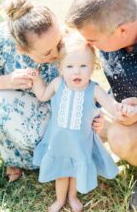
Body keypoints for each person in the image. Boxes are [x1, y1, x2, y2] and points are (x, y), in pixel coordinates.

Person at [0, 0, 103, 182]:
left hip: (60, 112)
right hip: (19, 110)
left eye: (58, 42)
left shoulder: (68, 40)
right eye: (48, 52)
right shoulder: (1, 41)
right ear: (22, 50)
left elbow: (87, 83)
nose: (58, 52)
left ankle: (56, 158)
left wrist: (94, 114)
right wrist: (9, 80)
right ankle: (14, 160)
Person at [30, 31, 128, 212]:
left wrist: (122, 109)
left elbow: (111, 106)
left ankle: (72, 196)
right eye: (70, 66)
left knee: (75, 171)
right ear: (60, 68)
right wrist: (36, 80)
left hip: (80, 143)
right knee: (61, 172)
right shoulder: (58, 83)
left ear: (93, 67)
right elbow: (43, 95)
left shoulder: (94, 89)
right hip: (59, 142)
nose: (76, 71)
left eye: (83, 65)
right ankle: (59, 200)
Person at [65, 0, 137, 208]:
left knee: (119, 137)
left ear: (122, 31)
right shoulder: (110, 34)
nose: (90, 45)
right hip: (119, 107)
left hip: (128, 120)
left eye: (93, 40)